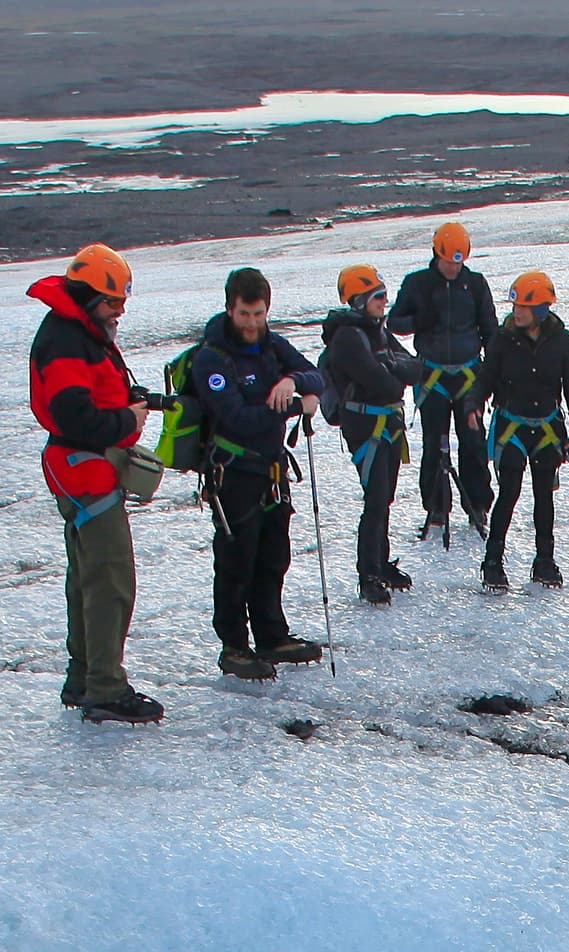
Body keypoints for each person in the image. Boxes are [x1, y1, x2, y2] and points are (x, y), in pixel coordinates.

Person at [28, 241, 162, 724]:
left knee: (87, 576)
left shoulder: (79, 333)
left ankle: (84, 676)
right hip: (84, 468)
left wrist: (136, 401)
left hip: (79, 467)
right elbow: (75, 415)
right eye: (113, 302)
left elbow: (89, 400)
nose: (119, 312)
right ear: (86, 296)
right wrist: (126, 420)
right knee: (109, 579)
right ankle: (104, 687)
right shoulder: (67, 341)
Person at [178, 266, 324, 678]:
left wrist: (293, 380)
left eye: (259, 314)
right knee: (236, 561)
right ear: (229, 309)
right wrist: (297, 404)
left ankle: (271, 635)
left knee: (273, 557)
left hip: (272, 471)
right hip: (235, 472)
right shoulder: (212, 358)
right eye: (245, 314)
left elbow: (317, 375)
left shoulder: (271, 345)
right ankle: (234, 646)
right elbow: (237, 417)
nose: (252, 323)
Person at [389, 221, 496, 551]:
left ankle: (477, 505)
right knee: (435, 444)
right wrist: (420, 320)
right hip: (432, 376)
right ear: (437, 254)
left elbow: (490, 330)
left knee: (474, 441)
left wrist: (493, 375)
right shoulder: (417, 284)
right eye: (450, 261)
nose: (454, 268)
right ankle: (436, 508)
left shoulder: (475, 285)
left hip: (468, 376)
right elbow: (394, 322)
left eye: (459, 262)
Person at [479, 268, 569, 590]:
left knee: (544, 495)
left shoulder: (563, 342)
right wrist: (474, 403)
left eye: (524, 308)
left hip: (547, 428)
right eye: (515, 307)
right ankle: (493, 561)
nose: (517, 313)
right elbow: (486, 377)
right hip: (511, 425)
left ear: (541, 310)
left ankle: (545, 561)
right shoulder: (503, 338)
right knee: (509, 492)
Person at [318, 262, 417, 604]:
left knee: (383, 498)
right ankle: (369, 573)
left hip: (386, 424)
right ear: (358, 299)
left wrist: (391, 370)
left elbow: (413, 367)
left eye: (384, 295)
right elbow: (381, 379)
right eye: (377, 296)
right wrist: (392, 371)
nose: (383, 302)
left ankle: (380, 564)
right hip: (367, 428)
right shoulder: (348, 337)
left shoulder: (376, 331)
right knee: (375, 500)